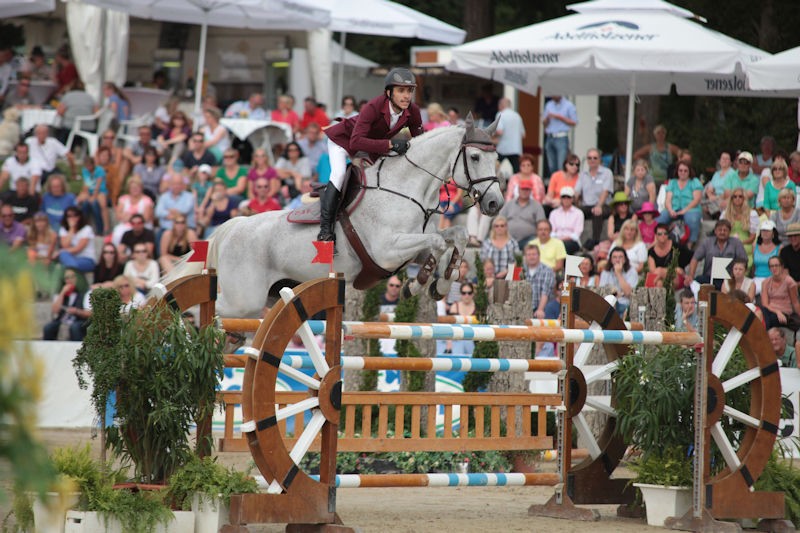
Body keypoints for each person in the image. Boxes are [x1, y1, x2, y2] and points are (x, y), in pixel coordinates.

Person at [319, 68, 424, 248]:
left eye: (409, 91)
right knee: (338, 175)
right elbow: (357, 141)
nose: (407, 96)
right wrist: (390, 145)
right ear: (389, 92)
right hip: (344, 142)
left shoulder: (412, 111)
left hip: (372, 147)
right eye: (401, 91)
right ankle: (325, 232)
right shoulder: (373, 107)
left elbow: (421, 141)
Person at [685, 219, 747, 287]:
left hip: (730, 279)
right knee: (692, 285)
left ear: (729, 232)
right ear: (715, 231)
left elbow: (743, 260)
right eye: (720, 230)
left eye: (725, 230)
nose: (722, 232)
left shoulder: (736, 243)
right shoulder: (707, 242)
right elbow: (695, 258)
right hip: (709, 277)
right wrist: (691, 275)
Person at [656, 160, 703, 246]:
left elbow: (696, 200)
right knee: (660, 219)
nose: (683, 173)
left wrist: (684, 210)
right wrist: (670, 210)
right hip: (674, 208)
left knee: (692, 219)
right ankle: (658, 242)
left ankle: (690, 244)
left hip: (691, 209)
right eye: (680, 170)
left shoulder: (695, 182)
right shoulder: (672, 182)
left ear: (689, 171)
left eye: (685, 171)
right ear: (677, 171)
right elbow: (668, 200)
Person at [575, 148, 613, 245]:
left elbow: (606, 191)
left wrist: (599, 205)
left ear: (600, 159)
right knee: (574, 212)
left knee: (597, 212)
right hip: (587, 206)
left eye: (595, 158)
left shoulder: (607, 173)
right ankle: (575, 241)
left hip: (604, 205)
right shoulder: (582, 175)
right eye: (589, 158)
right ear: (587, 160)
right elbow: (577, 192)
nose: (592, 160)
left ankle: (595, 242)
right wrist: (571, 204)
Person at [42, 268, 90, 341]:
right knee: (48, 328)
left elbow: (89, 313)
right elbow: (55, 310)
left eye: (72, 277)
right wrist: (62, 293)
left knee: (75, 327)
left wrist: (77, 311)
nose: (70, 280)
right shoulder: (60, 293)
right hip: (63, 320)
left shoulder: (85, 293)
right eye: (67, 278)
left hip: (79, 320)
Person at [499, 179, 545, 249]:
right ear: (518, 190)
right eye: (523, 189)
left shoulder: (537, 205)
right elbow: (499, 220)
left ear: (530, 191)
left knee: (533, 243)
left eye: (527, 189)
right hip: (508, 237)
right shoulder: (509, 204)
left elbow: (542, 224)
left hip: (529, 238)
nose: (524, 191)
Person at [720, 187, 758, 267]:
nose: (737, 199)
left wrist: (739, 243)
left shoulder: (752, 214)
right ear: (731, 199)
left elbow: (752, 237)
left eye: (740, 196)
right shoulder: (725, 214)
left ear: (744, 198)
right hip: (727, 243)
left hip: (745, 244)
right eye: (735, 196)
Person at [760, 256, 800, 331]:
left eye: (776, 265)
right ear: (769, 268)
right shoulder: (765, 282)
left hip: (784, 312)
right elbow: (765, 304)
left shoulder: (789, 282)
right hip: (770, 311)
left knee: (768, 318)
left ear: (782, 267)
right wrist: (777, 312)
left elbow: (795, 302)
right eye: (772, 266)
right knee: (761, 310)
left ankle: (765, 336)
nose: (774, 268)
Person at [111, 176, 154, 245]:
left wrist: (129, 217)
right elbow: (118, 216)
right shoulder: (123, 199)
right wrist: (131, 217)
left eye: (137, 187)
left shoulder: (147, 200)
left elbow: (146, 218)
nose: (135, 189)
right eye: (132, 188)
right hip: (126, 225)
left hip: (142, 225)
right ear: (129, 189)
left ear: (141, 188)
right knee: (118, 234)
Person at [542, 96, 577, 178]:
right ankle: (554, 185)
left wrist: (559, 117)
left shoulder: (569, 105)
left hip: (561, 137)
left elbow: (574, 122)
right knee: (551, 166)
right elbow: (544, 124)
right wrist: (547, 118)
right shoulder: (549, 105)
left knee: (561, 164)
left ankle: (562, 185)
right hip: (550, 137)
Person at [647, 223, 690, 289]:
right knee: (659, 283)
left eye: (665, 233)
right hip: (660, 278)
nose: (663, 236)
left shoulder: (677, 247)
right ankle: (653, 296)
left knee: (659, 271)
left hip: (676, 277)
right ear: (656, 236)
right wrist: (675, 269)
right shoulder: (652, 251)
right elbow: (653, 271)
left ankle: (646, 294)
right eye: (660, 234)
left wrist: (687, 274)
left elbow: (692, 257)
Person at [599, 248, 639, 318]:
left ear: (625, 259)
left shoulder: (632, 271)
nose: (617, 260)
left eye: (620, 257)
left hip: (626, 305)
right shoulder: (605, 272)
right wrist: (618, 294)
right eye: (614, 257)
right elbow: (602, 293)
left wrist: (618, 273)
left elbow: (629, 293)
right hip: (609, 305)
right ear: (611, 260)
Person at [53, 80, 96, 145]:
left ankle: (63, 150)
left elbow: (60, 112)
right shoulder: (90, 97)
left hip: (70, 126)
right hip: (88, 126)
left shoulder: (67, 96)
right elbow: (96, 112)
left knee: (59, 132)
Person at [76, 154, 109, 236]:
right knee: (77, 201)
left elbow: (98, 185)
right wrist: (85, 194)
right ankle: (81, 224)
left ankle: (106, 227)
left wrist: (93, 197)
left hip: (100, 191)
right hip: (90, 190)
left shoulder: (100, 170)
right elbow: (86, 184)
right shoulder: (85, 170)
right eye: (87, 166)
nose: (88, 168)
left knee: (102, 205)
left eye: (89, 165)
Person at [523, 243, 559, 320]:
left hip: (543, 309)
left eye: (534, 254)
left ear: (539, 255)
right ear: (525, 257)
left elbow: (546, 292)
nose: (531, 257)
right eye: (529, 254)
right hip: (525, 309)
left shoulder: (547, 270)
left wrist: (540, 309)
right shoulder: (522, 270)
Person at [56, 206, 96, 273]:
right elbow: (65, 245)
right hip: (70, 258)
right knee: (63, 255)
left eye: (75, 215)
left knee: (63, 255)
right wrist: (71, 229)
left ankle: (71, 269)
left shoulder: (87, 229)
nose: (72, 218)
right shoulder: (63, 230)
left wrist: (61, 251)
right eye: (69, 216)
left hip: (86, 259)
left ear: (80, 216)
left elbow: (78, 249)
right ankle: (71, 269)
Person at [548, 186, 583, 254]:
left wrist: (561, 239)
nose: (566, 199)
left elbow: (576, 235)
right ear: (560, 199)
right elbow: (551, 232)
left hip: (572, 242)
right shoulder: (554, 213)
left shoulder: (578, 213)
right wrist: (558, 239)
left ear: (572, 199)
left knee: (563, 246)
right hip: (556, 240)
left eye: (568, 197)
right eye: (564, 197)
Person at [494, 97, 525, 173]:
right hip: (516, 149)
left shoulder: (500, 114)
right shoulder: (517, 116)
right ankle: (518, 185)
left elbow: (499, 131)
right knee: (517, 172)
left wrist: (492, 136)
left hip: (502, 148)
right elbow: (523, 135)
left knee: (492, 169)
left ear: (501, 105)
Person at [703, 150, 737, 216]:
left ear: (730, 162)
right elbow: (709, 189)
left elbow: (731, 192)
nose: (724, 160)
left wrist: (716, 197)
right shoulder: (716, 174)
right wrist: (710, 196)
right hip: (713, 199)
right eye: (722, 158)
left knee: (710, 207)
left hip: (725, 199)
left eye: (726, 159)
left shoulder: (733, 174)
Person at [752, 220, 780, 295]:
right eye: (763, 230)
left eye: (768, 231)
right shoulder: (755, 246)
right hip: (756, 278)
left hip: (772, 279)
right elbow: (753, 266)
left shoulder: (779, 248)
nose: (765, 232)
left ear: (773, 233)